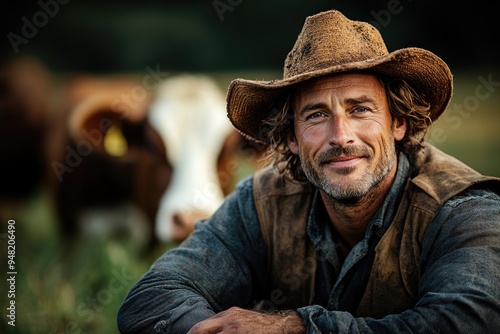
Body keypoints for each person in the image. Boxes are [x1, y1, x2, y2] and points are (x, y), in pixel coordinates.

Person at [117, 9, 500, 333]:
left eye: (360, 109)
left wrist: (294, 327)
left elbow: (468, 321)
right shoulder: (261, 203)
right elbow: (151, 299)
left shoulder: (463, 209)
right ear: (291, 138)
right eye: (316, 115)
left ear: (398, 122)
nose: (341, 136)